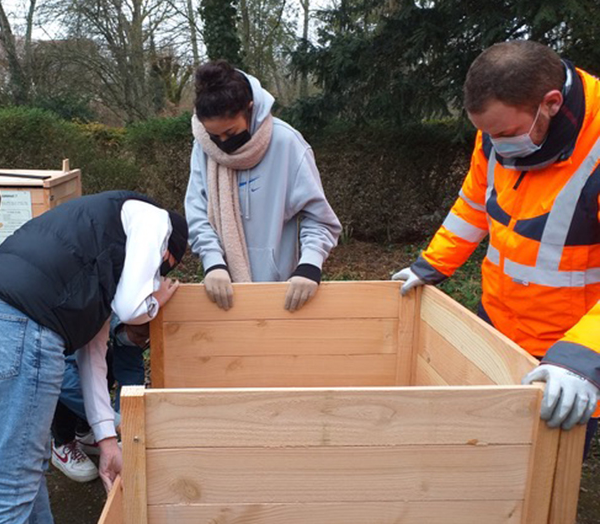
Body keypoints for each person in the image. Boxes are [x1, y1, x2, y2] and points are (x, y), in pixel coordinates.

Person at [392, 41, 600, 441]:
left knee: (546, 470)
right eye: (487, 133)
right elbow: (473, 204)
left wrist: (582, 358)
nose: (496, 144)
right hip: (500, 321)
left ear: (551, 103)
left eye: (504, 132)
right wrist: (431, 265)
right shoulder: (497, 131)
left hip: (566, 350)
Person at [0, 190, 188, 523]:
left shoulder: (96, 254)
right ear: (166, 252)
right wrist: (155, 301)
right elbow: (132, 306)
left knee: (24, 461)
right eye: (160, 270)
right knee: (12, 482)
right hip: (25, 319)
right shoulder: (153, 218)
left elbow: (92, 359)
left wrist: (108, 442)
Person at [186, 60, 341, 311]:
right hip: (224, 293)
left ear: (250, 109)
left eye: (230, 132)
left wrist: (310, 265)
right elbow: (197, 211)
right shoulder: (203, 147)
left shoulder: (287, 144)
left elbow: (319, 218)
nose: (222, 143)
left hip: (281, 294)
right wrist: (213, 262)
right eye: (215, 136)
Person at [50, 316, 148, 483]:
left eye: (147, 342)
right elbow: (59, 375)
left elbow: (129, 371)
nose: (143, 342)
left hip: (108, 328)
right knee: (66, 380)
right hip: (52, 347)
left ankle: (85, 432)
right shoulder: (88, 310)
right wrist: (113, 422)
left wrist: (126, 419)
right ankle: (62, 442)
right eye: (140, 337)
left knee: (107, 358)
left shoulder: (139, 319)